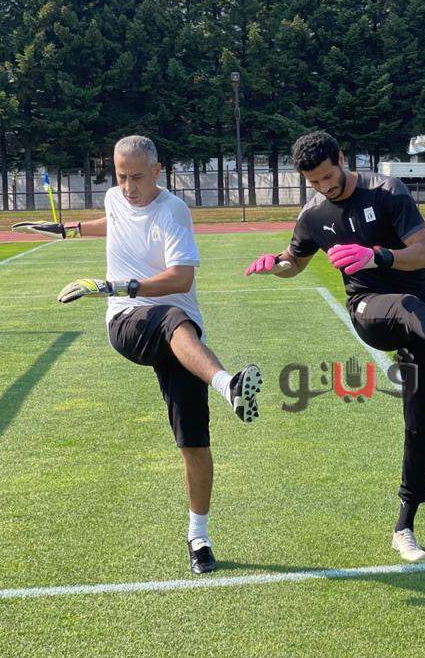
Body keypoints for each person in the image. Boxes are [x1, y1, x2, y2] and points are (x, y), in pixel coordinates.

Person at [243, 131, 425, 563]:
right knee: (405, 306)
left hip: (423, 316)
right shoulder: (313, 215)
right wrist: (272, 267)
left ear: (341, 158)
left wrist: (377, 255)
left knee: (421, 419)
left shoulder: (387, 191)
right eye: (313, 182)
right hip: (370, 309)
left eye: (327, 176)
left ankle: (404, 526)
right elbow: (293, 262)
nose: (323, 187)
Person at [14, 135, 262, 575]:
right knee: (170, 319)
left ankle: (199, 537)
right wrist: (70, 229)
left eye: (137, 177)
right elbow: (116, 219)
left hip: (180, 336)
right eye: (121, 176)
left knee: (194, 441)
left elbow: (181, 278)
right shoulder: (115, 198)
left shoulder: (173, 211)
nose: (128, 187)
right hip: (127, 322)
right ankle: (228, 385)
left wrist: (116, 283)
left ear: (158, 171)